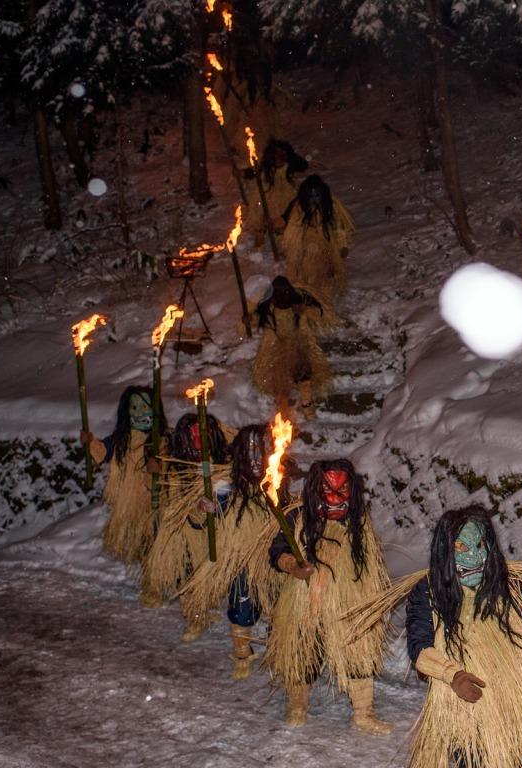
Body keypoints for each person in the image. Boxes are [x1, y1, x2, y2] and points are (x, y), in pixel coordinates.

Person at [396, 505, 522, 768]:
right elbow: (419, 646)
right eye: (462, 548)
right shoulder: (428, 592)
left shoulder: (504, 580)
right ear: (445, 552)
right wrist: (452, 675)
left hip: (517, 702)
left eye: (481, 544)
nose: (475, 557)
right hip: (467, 709)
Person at [263, 459, 392, 734]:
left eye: (342, 490)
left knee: (357, 649)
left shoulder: (359, 522)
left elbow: (369, 563)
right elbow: (276, 551)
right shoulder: (297, 518)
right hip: (304, 599)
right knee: (302, 650)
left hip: (347, 601)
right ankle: (297, 704)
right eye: (326, 489)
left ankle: (363, 712)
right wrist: (291, 565)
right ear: (313, 489)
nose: (334, 498)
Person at [178, 425, 286, 679]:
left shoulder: (277, 485)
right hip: (240, 560)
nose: (257, 460)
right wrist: (204, 508)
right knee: (241, 604)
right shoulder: (227, 488)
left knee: (278, 605)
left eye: (262, 452)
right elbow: (204, 519)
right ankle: (241, 653)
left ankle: (278, 649)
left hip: (271, 560)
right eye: (250, 454)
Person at [140, 412, 233, 642]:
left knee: (209, 570)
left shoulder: (223, 463)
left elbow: (228, 491)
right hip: (183, 531)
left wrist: (217, 498)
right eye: (193, 436)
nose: (199, 440)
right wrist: (195, 504)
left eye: (204, 434)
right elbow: (173, 495)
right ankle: (195, 616)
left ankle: (204, 607)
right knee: (187, 571)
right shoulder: (175, 466)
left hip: (217, 529)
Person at [79, 385, 166, 565]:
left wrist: (159, 469)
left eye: (144, 407)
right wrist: (90, 442)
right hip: (130, 505)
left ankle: (157, 577)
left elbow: (174, 467)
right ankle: (150, 575)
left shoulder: (164, 440)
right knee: (142, 544)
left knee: (158, 541)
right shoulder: (121, 441)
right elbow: (101, 452)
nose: (140, 413)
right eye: (134, 408)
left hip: (158, 504)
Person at [250, 276, 333, 420]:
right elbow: (257, 318)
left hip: (298, 343)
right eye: (279, 296)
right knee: (279, 382)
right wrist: (249, 319)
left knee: (303, 374)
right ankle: (282, 412)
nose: (282, 300)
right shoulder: (267, 307)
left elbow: (319, 312)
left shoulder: (300, 301)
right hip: (277, 347)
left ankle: (307, 409)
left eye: (285, 295)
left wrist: (304, 310)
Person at [279, 174, 354, 303]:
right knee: (310, 274)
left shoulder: (332, 206)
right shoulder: (299, 209)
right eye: (311, 197)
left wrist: (342, 245)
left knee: (330, 274)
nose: (314, 200)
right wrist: (292, 252)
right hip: (308, 247)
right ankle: (313, 297)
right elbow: (293, 231)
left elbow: (339, 227)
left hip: (328, 245)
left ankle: (326, 298)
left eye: (317, 196)